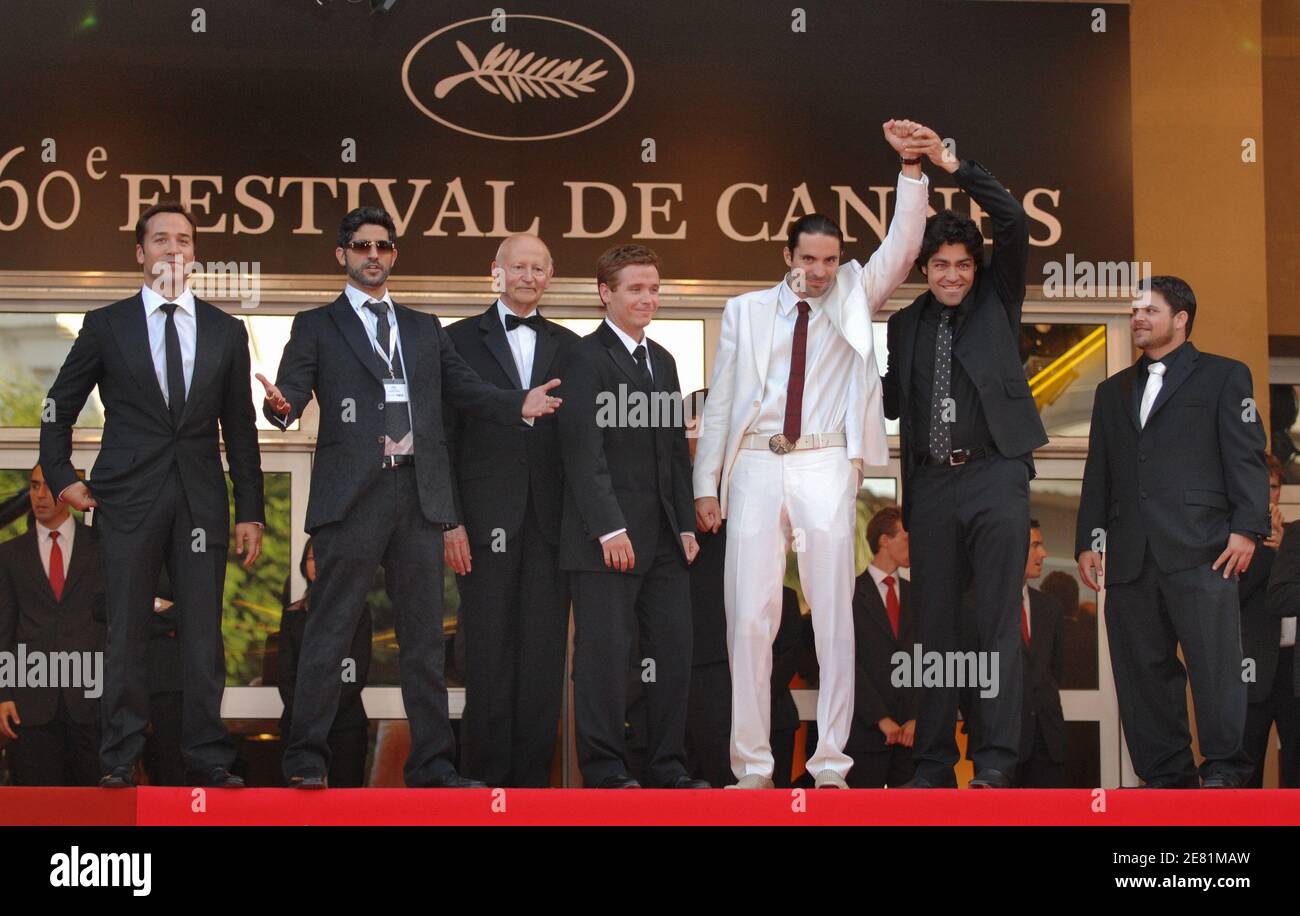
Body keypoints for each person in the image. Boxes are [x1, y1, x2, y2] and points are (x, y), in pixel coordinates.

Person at [258, 207, 561, 789]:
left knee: (423, 641)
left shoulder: (424, 328)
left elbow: (465, 388)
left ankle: (432, 767)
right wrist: (280, 407)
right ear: (342, 254)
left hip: (418, 495)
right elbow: (292, 393)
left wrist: (515, 402)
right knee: (329, 631)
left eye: (384, 246)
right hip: (351, 499)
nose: (373, 254)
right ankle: (305, 760)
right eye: (361, 245)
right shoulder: (315, 324)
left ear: (394, 255)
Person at [693, 120, 932, 789]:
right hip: (756, 465)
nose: (820, 271)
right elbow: (721, 405)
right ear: (788, 256)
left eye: (830, 259)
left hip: (826, 459)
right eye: (810, 259)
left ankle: (831, 765)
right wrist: (705, 486)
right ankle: (753, 769)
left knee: (833, 616)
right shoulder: (743, 313)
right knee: (748, 617)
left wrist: (911, 170)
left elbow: (904, 247)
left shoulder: (855, 294)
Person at [39, 202, 265, 788]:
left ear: (194, 255)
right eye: (160, 239)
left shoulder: (225, 330)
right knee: (126, 632)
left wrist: (252, 511)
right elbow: (57, 407)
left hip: (201, 501)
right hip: (127, 499)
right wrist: (63, 477)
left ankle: (208, 757)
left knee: (202, 634)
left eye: (183, 240)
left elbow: (240, 428)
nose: (172, 248)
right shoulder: (105, 324)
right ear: (140, 253)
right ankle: (118, 758)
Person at [881, 134, 1048, 789]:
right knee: (935, 631)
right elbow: (893, 403)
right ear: (925, 268)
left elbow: (1010, 220)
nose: (951, 275)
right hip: (931, 484)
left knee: (997, 623)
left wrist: (949, 164)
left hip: (995, 473)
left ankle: (998, 763)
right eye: (940, 265)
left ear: (977, 269)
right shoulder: (903, 325)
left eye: (962, 265)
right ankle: (931, 764)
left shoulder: (999, 300)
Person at [1076, 275, 1268, 788]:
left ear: (1181, 318)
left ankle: (1225, 769)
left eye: (1150, 310)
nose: (1138, 318)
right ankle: (1166, 776)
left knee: (1216, 667)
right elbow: (1100, 472)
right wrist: (1088, 541)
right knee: (1142, 671)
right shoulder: (1110, 391)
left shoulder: (1226, 377)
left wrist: (1247, 527)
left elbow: (1246, 455)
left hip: (1204, 549)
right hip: (1131, 556)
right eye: (1135, 310)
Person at [557, 244, 706, 789]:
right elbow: (581, 450)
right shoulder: (581, 357)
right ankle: (604, 772)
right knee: (603, 660)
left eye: (654, 288)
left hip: (665, 539)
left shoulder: (663, 361)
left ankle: (667, 767)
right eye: (636, 289)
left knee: (672, 654)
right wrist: (609, 528)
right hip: (604, 541)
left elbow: (671, 449)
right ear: (606, 294)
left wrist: (686, 523)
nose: (649, 298)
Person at [443, 234, 578, 787]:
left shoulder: (573, 347)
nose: (527, 275)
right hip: (480, 525)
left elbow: (582, 444)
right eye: (517, 266)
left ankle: (531, 795)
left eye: (538, 267)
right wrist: (449, 520)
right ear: (494, 272)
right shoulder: (452, 342)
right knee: (488, 658)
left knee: (543, 663)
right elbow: (441, 441)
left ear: (549, 276)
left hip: (552, 528)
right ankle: (483, 791)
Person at [0, 465, 105, 786]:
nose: (39, 495)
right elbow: (4, 627)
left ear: (68, 492)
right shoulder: (9, 554)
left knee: (94, 811)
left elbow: (116, 624)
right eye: (33, 487)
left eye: (48, 487)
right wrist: (4, 693)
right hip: (30, 706)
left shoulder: (103, 547)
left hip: (92, 701)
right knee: (34, 811)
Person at [273, 538, 371, 788]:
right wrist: (307, 714)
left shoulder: (358, 611)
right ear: (303, 565)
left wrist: (325, 711)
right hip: (298, 726)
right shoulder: (292, 615)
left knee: (346, 810)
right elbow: (286, 675)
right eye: (312, 557)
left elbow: (355, 671)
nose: (318, 563)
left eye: (325, 556)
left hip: (346, 723)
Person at [845, 506, 918, 788]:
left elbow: (930, 661)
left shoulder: (918, 596)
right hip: (865, 734)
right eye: (906, 537)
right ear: (884, 541)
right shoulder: (850, 593)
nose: (913, 544)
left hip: (911, 738)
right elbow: (847, 663)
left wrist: (915, 717)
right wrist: (880, 718)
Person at [1244, 456, 1299, 787]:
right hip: (1253, 664)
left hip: (1293, 666)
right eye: (1260, 486)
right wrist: (1267, 552)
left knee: (1294, 763)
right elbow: (1233, 597)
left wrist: (1285, 550)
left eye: (1274, 487)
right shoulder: (1235, 541)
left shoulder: (1295, 535)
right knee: (1247, 764)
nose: (1268, 494)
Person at [1015, 521, 1067, 787]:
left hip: (1047, 742)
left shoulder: (1050, 608)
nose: (1044, 553)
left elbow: (1054, 672)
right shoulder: (978, 606)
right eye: (1036, 545)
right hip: (1001, 747)